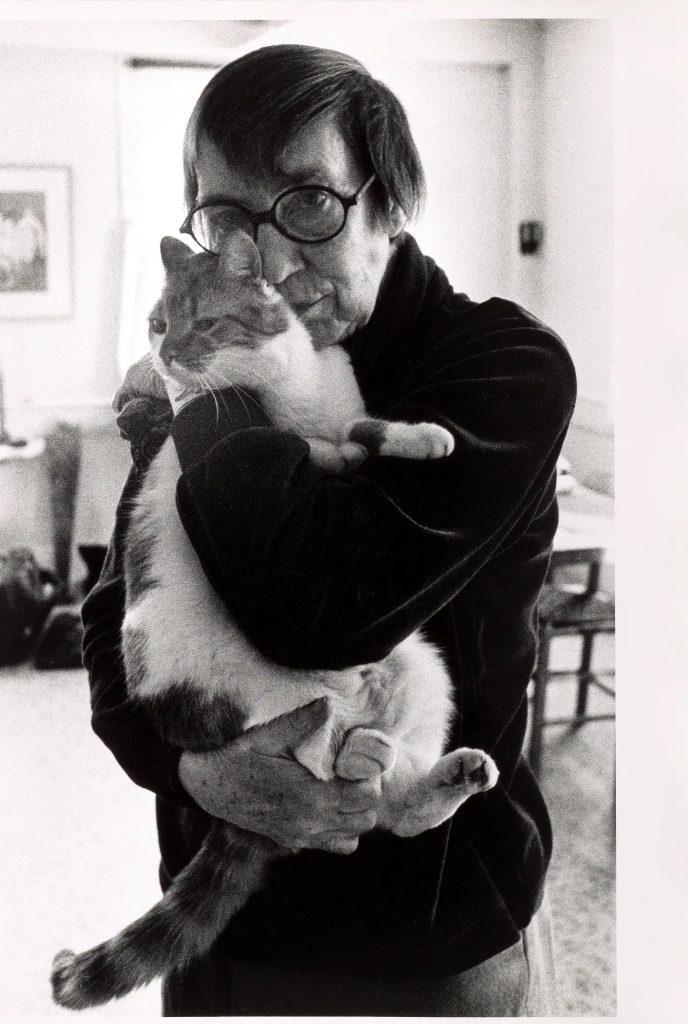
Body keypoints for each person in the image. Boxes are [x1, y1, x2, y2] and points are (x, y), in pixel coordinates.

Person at [83, 44, 577, 1015]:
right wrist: (191, 769)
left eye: (309, 203)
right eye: (225, 214)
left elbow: (315, 604)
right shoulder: (208, 363)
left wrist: (201, 391)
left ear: (388, 206)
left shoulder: (501, 368)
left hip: (432, 945)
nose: (262, 260)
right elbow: (112, 622)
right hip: (231, 932)